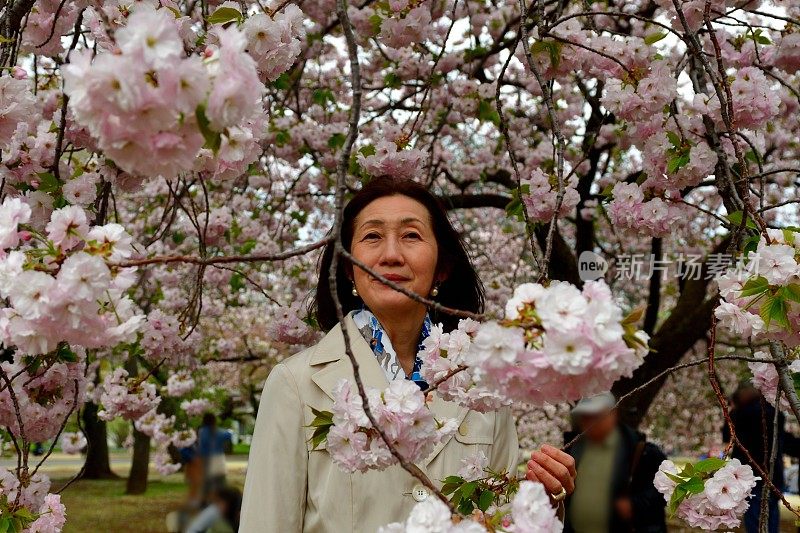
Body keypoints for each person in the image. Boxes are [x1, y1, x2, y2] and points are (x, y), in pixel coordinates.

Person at [240, 176, 577, 532]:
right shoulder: (297, 383)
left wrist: (540, 500)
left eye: (411, 235)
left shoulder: (482, 386)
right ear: (347, 266)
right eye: (372, 236)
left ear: (442, 268)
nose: (390, 255)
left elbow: (496, 520)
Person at [563, 392, 667, 533]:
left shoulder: (643, 452)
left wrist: (634, 505)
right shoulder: (573, 451)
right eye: (586, 417)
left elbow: (665, 490)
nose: (591, 422)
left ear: (613, 414)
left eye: (597, 415)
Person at [722, 381, 800, 533]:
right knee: (771, 517)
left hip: (749, 477)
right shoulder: (774, 412)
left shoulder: (740, 414)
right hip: (773, 475)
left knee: (756, 520)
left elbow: (727, 436)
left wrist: (732, 411)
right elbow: (783, 441)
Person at [197, 413, 230, 502]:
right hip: (219, 459)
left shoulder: (202, 431)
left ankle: (205, 503)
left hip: (206, 460)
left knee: (206, 485)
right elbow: (228, 435)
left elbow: (202, 446)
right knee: (220, 484)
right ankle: (223, 503)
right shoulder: (217, 431)